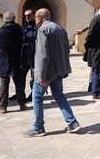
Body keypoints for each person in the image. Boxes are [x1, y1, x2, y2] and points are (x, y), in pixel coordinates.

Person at [22, 8, 80, 137]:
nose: (35, 20)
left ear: (40, 18)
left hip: (47, 71)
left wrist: (40, 76)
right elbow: (66, 49)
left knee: (36, 97)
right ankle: (72, 122)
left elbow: (42, 55)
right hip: (58, 69)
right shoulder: (59, 28)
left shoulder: (43, 30)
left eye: (36, 17)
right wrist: (65, 68)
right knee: (59, 95)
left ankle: (38, 128)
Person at [0, 12, 26, 113]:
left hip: (3, 61)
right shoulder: (20, 30)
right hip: (18, 60)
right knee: (19, 83)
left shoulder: (0, 31)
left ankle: (3, 106)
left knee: (4, 84)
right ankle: (22, 104)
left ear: (4, 19)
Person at [10, 9, 37, 102]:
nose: (27, 17)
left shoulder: (38, 28)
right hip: (25, 56)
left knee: (35, 77)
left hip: (36, 57)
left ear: (34, 15)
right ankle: (20, 93)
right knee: (21, 76)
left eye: (29, 15)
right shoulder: (24, 28)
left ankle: (34, 94)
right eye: (25, 16)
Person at [85, 6, 100, 100]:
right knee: (98, 71)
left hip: (98, 50)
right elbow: (90, 35)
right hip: (97, 50)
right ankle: (96, 91)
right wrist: (90, 47)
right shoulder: (97, 20)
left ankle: (97, 89)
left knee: (98, 71)